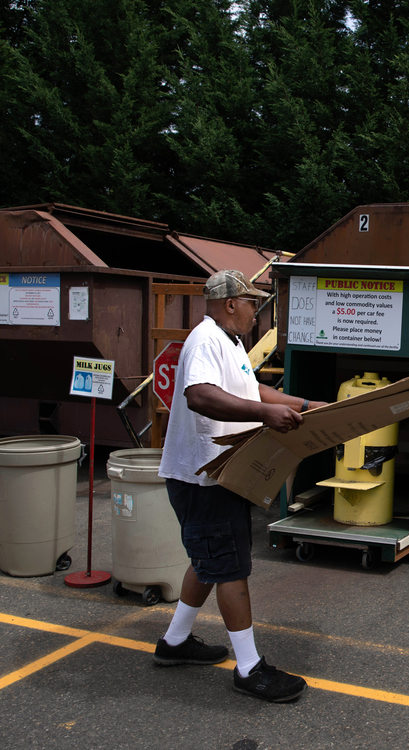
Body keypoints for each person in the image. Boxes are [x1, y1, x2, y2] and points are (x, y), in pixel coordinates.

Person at [155, 269, 327, 703]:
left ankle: (175, 642)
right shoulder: (206, 338)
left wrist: (312, 407)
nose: (257, 313)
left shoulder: (230, 344)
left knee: (209, 557)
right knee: (230, 566)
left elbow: (256, 391)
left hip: (220, 472)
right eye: (253, 303)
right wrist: (263, 415)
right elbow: (199, 395)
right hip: (203, 477)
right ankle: (249, 669)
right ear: (231, 302)